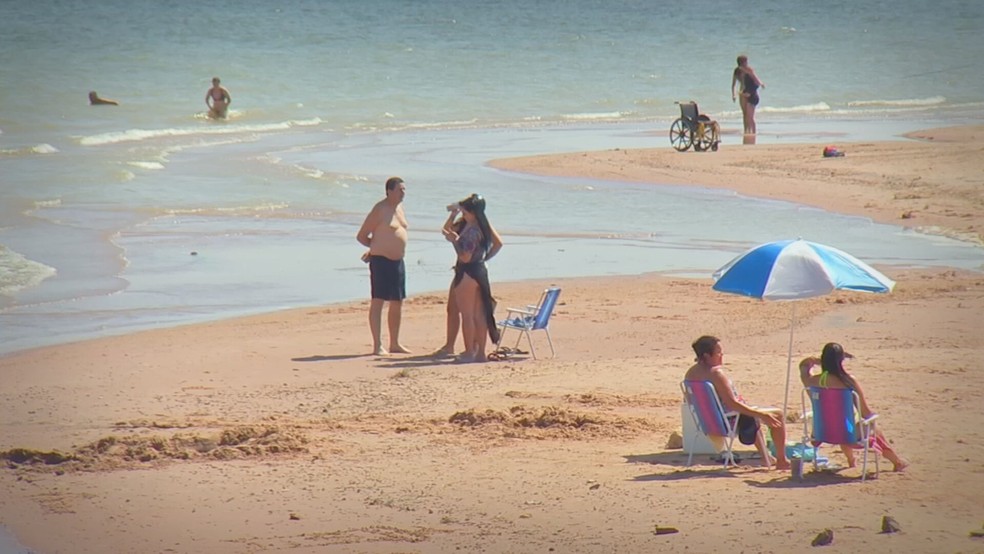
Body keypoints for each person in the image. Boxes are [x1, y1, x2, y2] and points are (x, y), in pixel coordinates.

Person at [684, 335, 790, 470]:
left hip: (707, 421)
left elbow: (690, 400)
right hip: (729, 420)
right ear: (706, 355)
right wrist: (761, 415)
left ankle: (766, 457)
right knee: (777, 414)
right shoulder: (716, 374)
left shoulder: (691, 373)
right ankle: (782, 460)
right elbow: (733, 404)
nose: (722, 355)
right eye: (718, 352)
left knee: (750, 412)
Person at [799, 343, 908, 471]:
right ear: (840, 360)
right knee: (869, 423)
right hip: (847, 435)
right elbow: (865, 413)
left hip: (821, 432)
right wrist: (873, 417)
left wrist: (819, 360)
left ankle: (851, 460)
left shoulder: (812, 381)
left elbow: (803, 365)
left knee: (844, 422)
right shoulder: (848, 381)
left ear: (823, 359)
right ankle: (896, 461)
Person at [433, 201, 503, 358]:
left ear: (472, 212)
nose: (463, 213)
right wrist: (483, 259)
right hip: (478, 270)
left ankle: (470, 351)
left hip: (468, 272)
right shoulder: (478, 225)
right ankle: (480, 353)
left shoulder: (473, 230)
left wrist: (455, 242)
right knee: (479, 314)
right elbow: (447, 231)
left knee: (468, 314)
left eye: (464, 211)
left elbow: (465, 257)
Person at [356, 177, 411, 356]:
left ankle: (395, 343)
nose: (403, 193)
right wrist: (376, 247)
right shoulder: (380, 209)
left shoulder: (400, 208)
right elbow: (362, 235)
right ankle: (377, 344)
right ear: (389, 191)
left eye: (404, 189)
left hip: (398, 262)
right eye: (400, 189)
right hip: (381, 261)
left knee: (397, 302)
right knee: (378, 301)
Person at [731, 55, 764, 136]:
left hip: (749, 92)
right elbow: (733, 84)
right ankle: (746, 130)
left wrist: (761, 83)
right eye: (745, 62)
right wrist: (733, 95)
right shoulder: (737, 71)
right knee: (745, 113)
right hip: (742, 92)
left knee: (749, 115)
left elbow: (755, 78)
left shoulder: (749, 70)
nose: (746, 63)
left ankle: (752, 131)